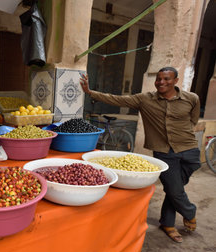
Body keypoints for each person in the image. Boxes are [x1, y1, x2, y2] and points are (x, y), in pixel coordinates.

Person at [80, 67, 201, 243]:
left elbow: (193, 120)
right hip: (164, 152)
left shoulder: (192, 98)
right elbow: (117, 99)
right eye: (158, 79)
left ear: (176, 80)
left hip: (189, 150)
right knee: (175, 189)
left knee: (174, 190)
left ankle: (167, 224)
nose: (161, 82)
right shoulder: (145, 99)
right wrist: (90, 92)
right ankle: (190, 212)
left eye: (166, 79)